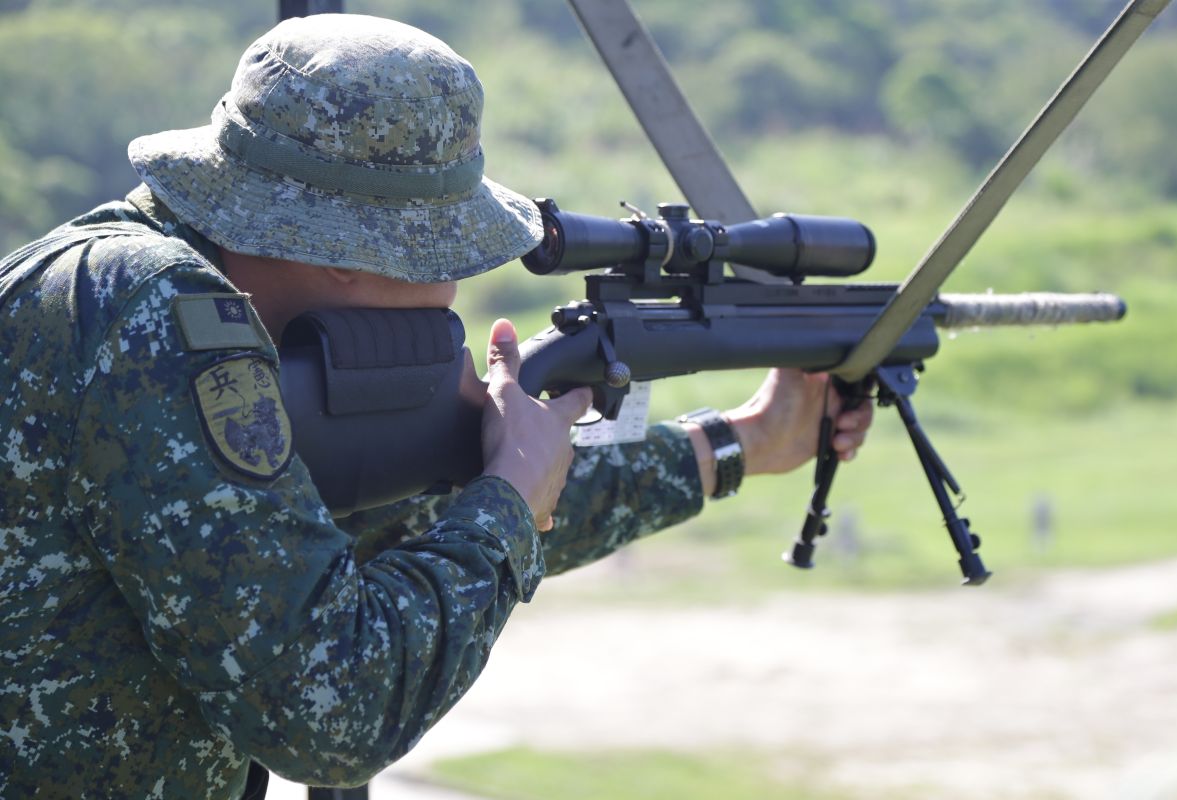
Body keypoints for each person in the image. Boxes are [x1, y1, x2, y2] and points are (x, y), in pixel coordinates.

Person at [0, 14, 871, 799]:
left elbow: (409, 523)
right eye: (439, 254)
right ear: (343, 252)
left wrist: (745, 441)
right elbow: (331, 713)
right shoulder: (152, 307)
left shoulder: (151, 305)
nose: (450, 286)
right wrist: (504, 507)